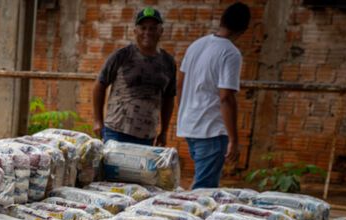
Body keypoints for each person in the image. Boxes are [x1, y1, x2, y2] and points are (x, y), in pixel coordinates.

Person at [177, 2, 252, 188]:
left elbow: (180, 85)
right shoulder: (230, 53)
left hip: (189, 125)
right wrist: (234, 139)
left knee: (200, 184)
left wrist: (185, 113)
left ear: (222, 21)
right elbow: (226, 97)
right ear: (244, 29)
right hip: (211, 130)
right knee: (203, 191)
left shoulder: (196, 45)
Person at [92, 7, 176, 147]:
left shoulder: (168, 62)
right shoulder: (122, 55)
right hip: (117, 131)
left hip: (147, 135)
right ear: (135, 31)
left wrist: (164, 131)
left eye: (153, 28)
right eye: (143, 28)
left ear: (161, 31)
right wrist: (98, 120)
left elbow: (169, 97)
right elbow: (99, 85)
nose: (147, 32)